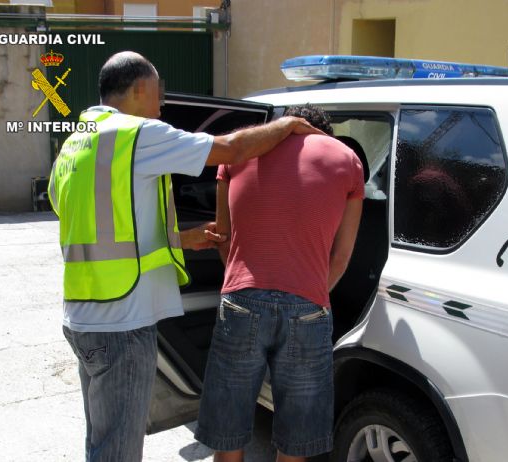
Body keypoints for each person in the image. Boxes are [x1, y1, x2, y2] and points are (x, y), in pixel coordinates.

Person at [47, 51, 323, 462]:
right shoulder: (136, 134)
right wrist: (284, 126)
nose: (162, 107)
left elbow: (101, 227)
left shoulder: (76, 143)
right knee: (117, 453)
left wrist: (178, 239)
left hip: (83, 320)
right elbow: (229, 149)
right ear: (140, 88)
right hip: (121, 325)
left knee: (102, 444)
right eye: (159, 95)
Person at [194, 104, 364, 462]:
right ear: (322, 133)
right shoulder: (348, 160)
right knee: (294, 441)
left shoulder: (240, 151)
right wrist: (312, 290)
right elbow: (342, 256)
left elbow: (222, 237)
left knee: (228, 433)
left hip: (241, 300)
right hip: (308, 306)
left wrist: (242, 277)